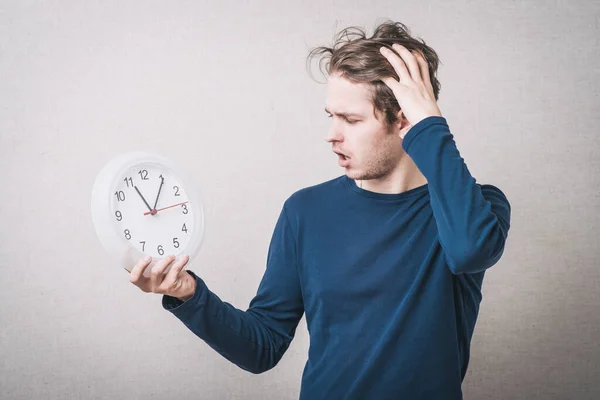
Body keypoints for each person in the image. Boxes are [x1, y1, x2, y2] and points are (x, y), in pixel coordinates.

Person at [128, 20, 511, 400]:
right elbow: (262, 346)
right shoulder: (305, 211)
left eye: (351, 119)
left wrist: (430, 124)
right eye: (332, 115)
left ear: (405, 120)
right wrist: (188, 293)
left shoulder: (477, 207)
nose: (332, 134)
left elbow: (469, 250)